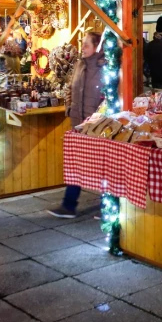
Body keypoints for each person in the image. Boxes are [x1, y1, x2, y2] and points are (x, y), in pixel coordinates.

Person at [49, 31, 104, 218]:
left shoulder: (103, 67)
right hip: (78, 123)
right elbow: (70, 89)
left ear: (97, 47)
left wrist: (99, 118)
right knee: (76, 164)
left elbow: (107, 97)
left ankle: (108, 206)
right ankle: (69, 205)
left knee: (103, 166)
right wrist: (69, 110)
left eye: (87, 44)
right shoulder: (80, 64)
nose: (83, 47)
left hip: (97, 125)